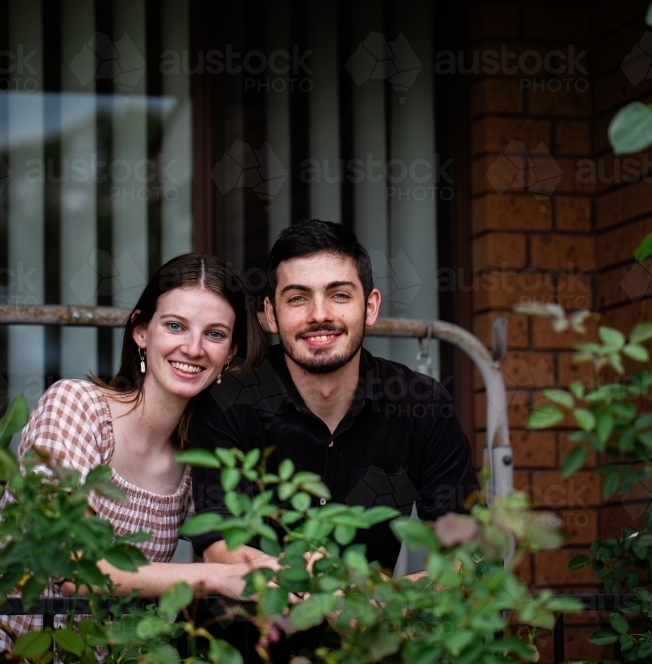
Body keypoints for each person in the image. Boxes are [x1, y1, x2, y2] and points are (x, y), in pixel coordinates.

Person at [0, 253, 272, 662]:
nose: (193, 348)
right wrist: (219, 578)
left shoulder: (201, 457)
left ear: (229, 353)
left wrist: (274, 569)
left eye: (214, 334)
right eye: (175, 326)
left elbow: (224, 547)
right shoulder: (76, 407)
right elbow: (71, 568)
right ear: (142, 331)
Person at [188, 220, 480, 573]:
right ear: (271, 315)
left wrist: (383, 601)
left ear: (370, 307)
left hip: (374, 624)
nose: (320, 315)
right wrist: (317, 587)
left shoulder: (422, 404)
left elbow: (468, 552)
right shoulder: (227, 402)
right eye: (297, 298)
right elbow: (218, 544)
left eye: (339, 295)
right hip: (258, 622)